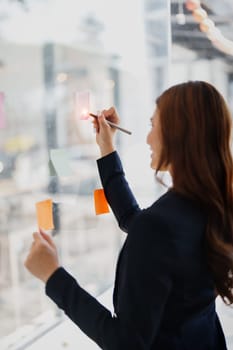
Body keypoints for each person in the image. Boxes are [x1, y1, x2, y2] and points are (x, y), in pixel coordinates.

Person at [24, 81, 233, 349]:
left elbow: (125, 342)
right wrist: (107, 149)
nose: (147, 138)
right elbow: (135, 221)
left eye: (152, 125)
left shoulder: (163, 224)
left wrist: (53, 276)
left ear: (177, 134)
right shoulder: (211, 205)